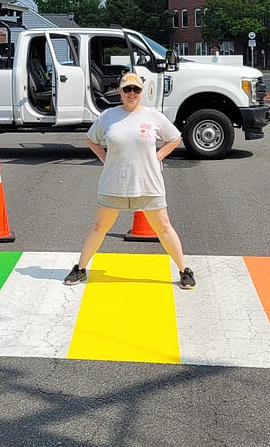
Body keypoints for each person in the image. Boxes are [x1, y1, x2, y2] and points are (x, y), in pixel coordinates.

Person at [64, 72, 195, 290]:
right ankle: (80, 267)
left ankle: (184, 270)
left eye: (136, 89)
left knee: (163, 226)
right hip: (113, 183)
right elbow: (91, 138)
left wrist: (159, 156)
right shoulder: (108, 116)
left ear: (142, 92)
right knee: (99, 226)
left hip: (147, 183)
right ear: (120, 91)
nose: (131, 93)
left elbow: (175, 137)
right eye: (127, 89)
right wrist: (104, 159)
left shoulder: (153, 116)